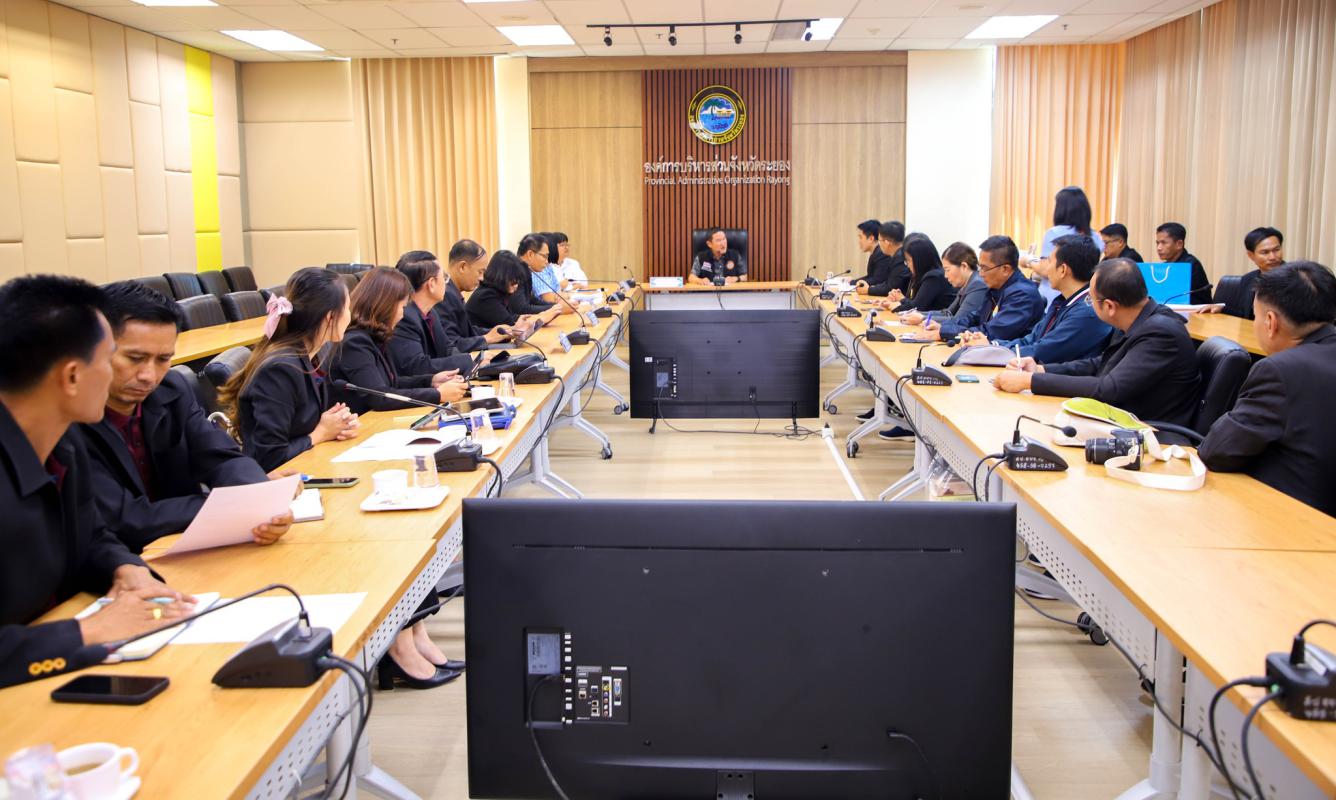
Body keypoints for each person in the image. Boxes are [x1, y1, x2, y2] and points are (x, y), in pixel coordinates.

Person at [0, 275, 193, 689]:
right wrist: (87, 631)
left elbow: (90, 535)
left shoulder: (63, 442)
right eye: (109, 359)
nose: (146, 377)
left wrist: (125, 568)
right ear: (72, 376)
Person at [79, 281, 293, 554]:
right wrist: (228, 505)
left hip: (182, 547)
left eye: (163, 359)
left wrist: (260, 498)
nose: (149, 375)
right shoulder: (68, 418)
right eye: (134, 358)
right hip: (111, 562)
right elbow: (125, 518)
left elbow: (221, 457)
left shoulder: (172, 389)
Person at [994, 258, 1202, 428]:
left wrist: (1029, 382)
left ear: (1110, 306)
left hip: (1152, 433)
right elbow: (1102, 363)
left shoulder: (1161, 333)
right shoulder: (1138, 319)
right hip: (1123, 421)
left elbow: (1108, 388)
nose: (1089, 305)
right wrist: (1040, 370)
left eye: (1090, 300)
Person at [1199, 262, 1336, 516]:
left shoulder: (1279, 371)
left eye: (1256, 316)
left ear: (1271, 322)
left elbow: (1217, 451)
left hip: (1295, 518)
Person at [219, 268, 361, 473]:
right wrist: (320, 433)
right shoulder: (280, 369)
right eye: (347, 307)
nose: (350, 315)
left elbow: (302, 424)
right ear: (330, 316)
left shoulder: (310, 355)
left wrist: (337, 425)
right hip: (274, 482)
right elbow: (271, 458)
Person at [326, 268, 469, 415]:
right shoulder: (355, 342)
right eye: (402, 307)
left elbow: (392, 383)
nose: (402, 314)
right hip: (363, 423)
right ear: (386, 306)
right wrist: (437, 394)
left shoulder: (374, 336)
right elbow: (380, 397)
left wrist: (431, 381)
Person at [962, 236, 1112, 363]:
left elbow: (1043, 351)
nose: (1044, 268)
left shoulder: (1086, 312)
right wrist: (991, 345)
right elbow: (1031, 340)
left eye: (1049, 261)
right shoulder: (1062, 302)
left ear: (1063, 270)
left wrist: (991, 348)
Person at [925, 235, 1045, 342]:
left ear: (1005, 269)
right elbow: (975, 317)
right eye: (980, 267)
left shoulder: (1022, 294)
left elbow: (992, 333)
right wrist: (945, 327)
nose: (981, 273)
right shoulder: (996, 288)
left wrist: (946, 332)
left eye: (985, 268)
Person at [389, 250, 476, 378]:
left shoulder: (430, 312)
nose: (446, 283)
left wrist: (474, 362)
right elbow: (418, 367)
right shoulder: (403, 317)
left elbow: (447, 349)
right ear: (431, 284)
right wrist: (468, 360)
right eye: (444, 277)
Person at [432, 239, 515, 353]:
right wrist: (487, 338)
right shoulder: (445, 296)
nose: (482, 278)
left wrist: (496, 333)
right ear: (462, 267)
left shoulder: (453, 293)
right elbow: (452, 344)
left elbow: (467, 331)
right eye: (480, 272)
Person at [1033, 186, 1105, 308]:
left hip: (1052, 299)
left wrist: (1028, 262)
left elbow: (1045, 270)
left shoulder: (1054, 233)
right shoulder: (1095, 237)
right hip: (1083, 299)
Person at [897, 242, 987, 327]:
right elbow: (947, 313)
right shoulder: (967, 283)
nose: (945, 276)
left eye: (947, 270)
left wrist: (922, 318)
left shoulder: (977, 285)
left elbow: (959, 321)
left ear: (964, 266)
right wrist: (918, 314)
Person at [468, 250, 562, 330]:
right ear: (502, 276)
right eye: (514, 281)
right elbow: (510, 323)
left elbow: (514, 316)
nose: (516, 285)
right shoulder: (486, 296)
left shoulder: (500, 291)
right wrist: (541, 317)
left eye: (518, 281)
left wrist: (545, 313)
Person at [1209, 227, 1285, 319]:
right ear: (1251, 255)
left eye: (1276, 250)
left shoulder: (1296, 279)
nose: (1272, 257)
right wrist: (1222, 309)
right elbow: (1245, 316)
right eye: (1265, 252)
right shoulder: (1248, 279)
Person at [886, 236, 955, 313]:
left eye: (908, 260)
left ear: (919, 260)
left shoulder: (934, 277)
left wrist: (898, 303)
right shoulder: (921, 275)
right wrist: (897, 300)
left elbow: (916, 307)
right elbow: (913, 301)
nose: (907, 264)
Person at [1154, 222, 1211, 304]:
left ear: (1179, 244)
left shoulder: (1190, 265)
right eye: (1157, 243)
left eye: (1164, 243)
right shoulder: (1166, 266)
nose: (1159, 248)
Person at [857, 221, 911, 297]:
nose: (879, 244)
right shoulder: (898, 255)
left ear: (887, 242)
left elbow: (891, 287)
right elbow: (888, 283)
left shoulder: (900, 258)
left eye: (879, 240)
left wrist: (868, 290)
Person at [517, 233, 569, 311]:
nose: (547, 261)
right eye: (545, 256)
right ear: (530, 254)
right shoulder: (515, 272)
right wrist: (558, 309)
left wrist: (557, 307)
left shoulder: (527, 270)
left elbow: (533, 301)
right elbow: (522, 309)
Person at [851, 219, 891, 290]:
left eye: (860, 237)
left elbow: (877, 280)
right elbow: (870, 277)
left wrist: (853, 283)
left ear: (871, 238)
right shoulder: (876, 252)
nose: (859, 241)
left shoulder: (881, 254)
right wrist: (852, 282)